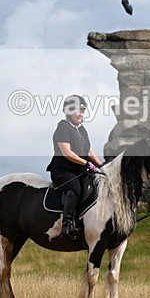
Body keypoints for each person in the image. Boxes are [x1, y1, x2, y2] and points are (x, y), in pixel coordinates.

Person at [46, 94, 104, 239]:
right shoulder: (62, 129)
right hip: (62, 170)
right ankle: (66, 226)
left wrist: (101, 165)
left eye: (82, 110)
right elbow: (67, 153)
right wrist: (87, 164)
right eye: (77, 110)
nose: (80, 114)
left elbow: (88, 150)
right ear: (68, 112)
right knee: (75, 189)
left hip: (79, 169)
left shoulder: (82, 130)